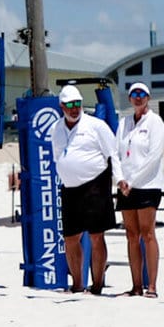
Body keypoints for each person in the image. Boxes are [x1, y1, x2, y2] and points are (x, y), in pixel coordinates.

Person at [52, 84, 121, 292]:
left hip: (95, 184)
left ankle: (98, 284)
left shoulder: (96, 125)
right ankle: (77, 284)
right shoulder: (56, 128)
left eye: (78, 104)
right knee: (70, 238)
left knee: (96, 235)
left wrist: (120, 179)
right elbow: (57, 155)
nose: (75, 108)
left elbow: (113, 153)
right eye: (70, 105)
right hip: (70, 188)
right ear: (62, 106)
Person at [115, 82, 164, 296]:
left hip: (147, 185)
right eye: (134, 95)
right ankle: (136, 285)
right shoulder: (124, 122)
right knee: (131, 234)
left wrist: (132, 181)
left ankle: (151, 285)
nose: (138, 98)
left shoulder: (155, 122)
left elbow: (153, 157)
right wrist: (119, 179)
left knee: (148, 233)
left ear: (148, 97)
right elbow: (116, 154)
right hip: (126, 185)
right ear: (129, 99)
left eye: (142, 95)